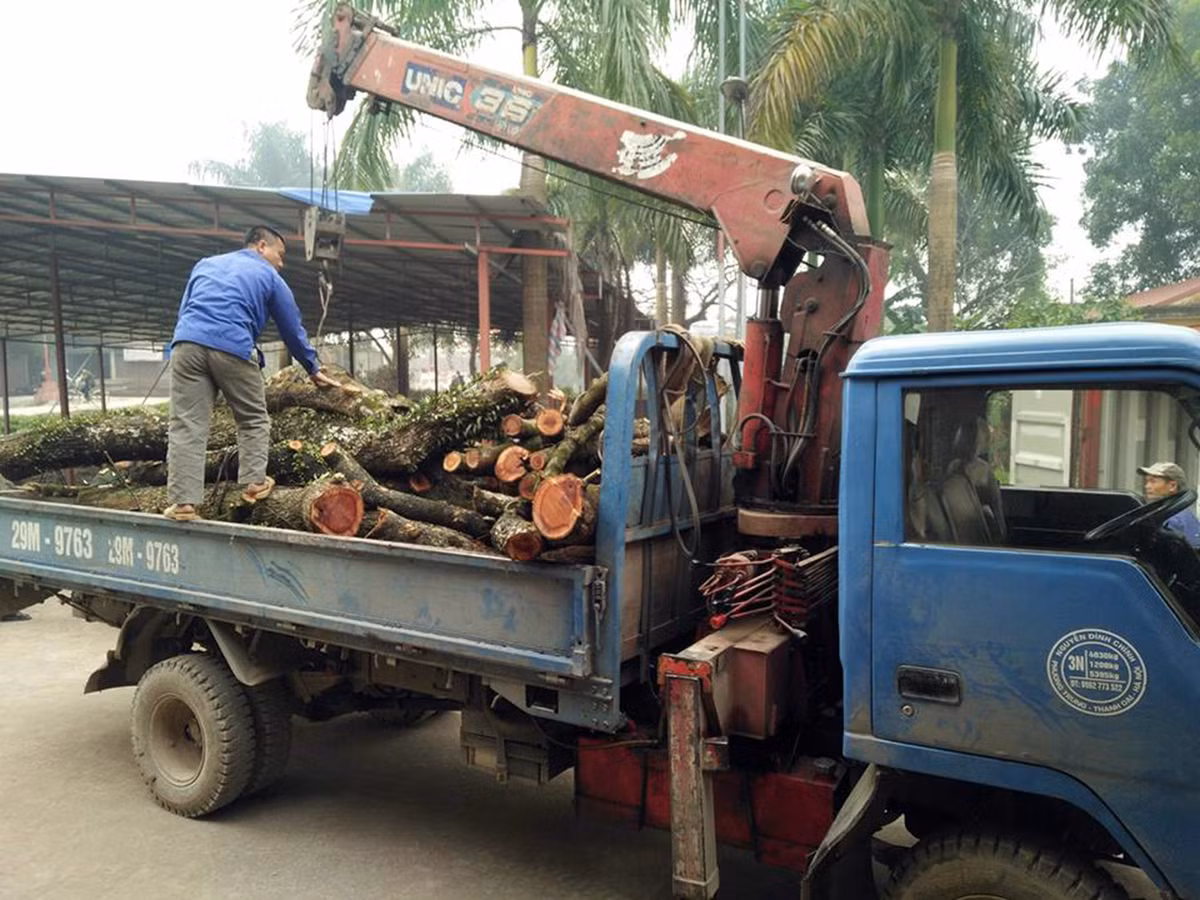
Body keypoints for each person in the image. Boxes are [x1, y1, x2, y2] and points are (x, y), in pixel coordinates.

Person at [164, 225, 339, 521]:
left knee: (186, 425)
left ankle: (183, 503)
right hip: (232, 345)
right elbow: (291, 328)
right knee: (253, 418)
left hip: (187, 345)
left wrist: (177, 349)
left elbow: (185, 312)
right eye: (279, 255)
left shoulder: (204, 265)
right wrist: (312, 367)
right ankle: (255, 483)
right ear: (261, 246)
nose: (281, 263)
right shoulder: (269, 276)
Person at [1137, 460, 1200, 547]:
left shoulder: (1175, 520)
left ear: (1172, 486)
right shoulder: (1166, 513)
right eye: (1147, 481)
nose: (1147, 486)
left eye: (1153, 481)